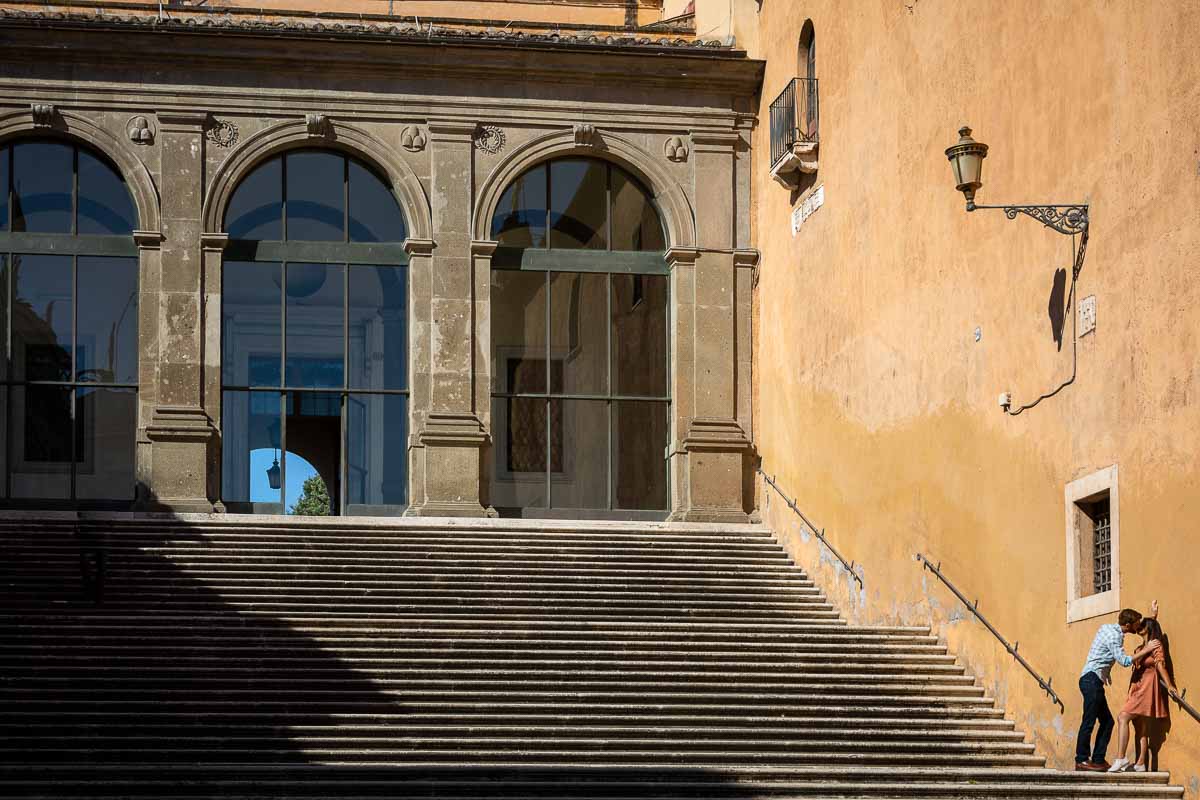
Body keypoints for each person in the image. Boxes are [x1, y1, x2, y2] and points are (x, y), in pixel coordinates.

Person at [1075, 602, 1160, 771]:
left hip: (1093, 678)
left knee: (1107, 721)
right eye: (1136, 623)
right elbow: (1125, 661)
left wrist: (1105, 673)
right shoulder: (1115, 636)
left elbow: (1101, 652)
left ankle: (1098, 759)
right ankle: (1081, 759)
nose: (1138, 626)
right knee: (1089, 720)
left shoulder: (1107, 627)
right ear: (1128, 625)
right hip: (1091, 680)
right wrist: (1148, 648)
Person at [1109, 617, 1177, 772]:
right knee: (1140, 726)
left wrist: (1170, 685)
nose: (1139, 626)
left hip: (1147, 687)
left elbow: (1160, 665)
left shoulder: (1156, 644)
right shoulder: (1141, 647)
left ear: (1149, 628)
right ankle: (1140, 764)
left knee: (1123, 717)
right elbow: (1146, 625)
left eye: (1143, 625)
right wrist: (1153, 615)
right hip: (1136, 687)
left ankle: (1121, 758)